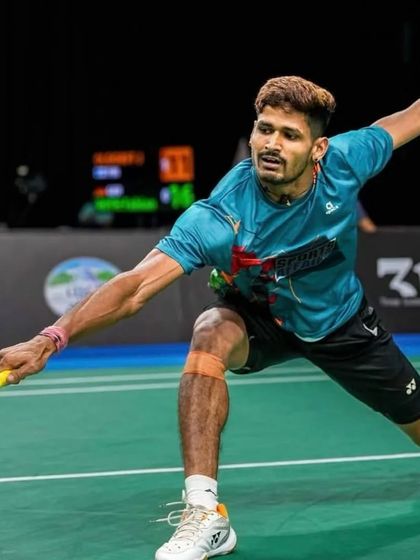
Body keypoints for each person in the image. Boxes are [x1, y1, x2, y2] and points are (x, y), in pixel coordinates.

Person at [0, 76, 419, 560]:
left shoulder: (347, 159)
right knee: (209, 332)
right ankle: (205, 514)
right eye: (264, 129)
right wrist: (50, 338)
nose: (272, 144)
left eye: (289, 135)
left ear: (318, 148)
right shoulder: (222, 216)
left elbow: (411, 117)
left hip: (340, 323)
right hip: (257, 316)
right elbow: (135, 287)